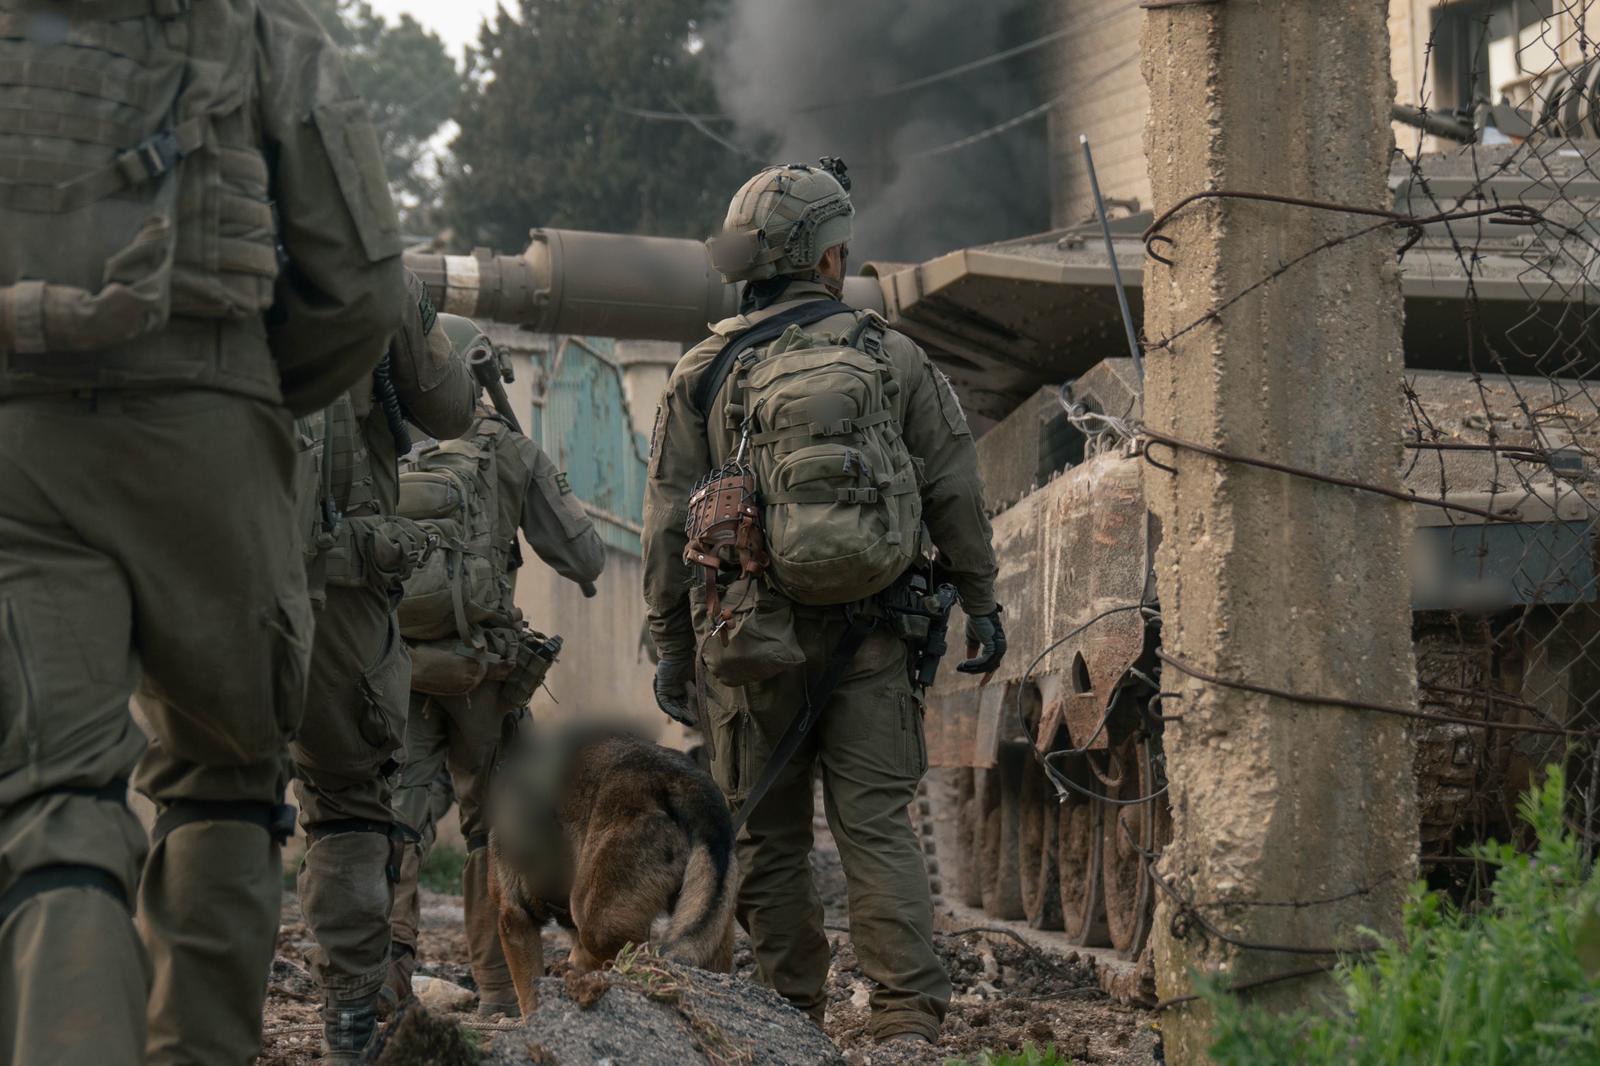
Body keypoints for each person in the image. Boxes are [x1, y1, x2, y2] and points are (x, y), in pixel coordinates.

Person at [0, 1, 403, 1062]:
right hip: (208, 429)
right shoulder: (259, 21)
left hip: (14, 443)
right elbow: (364, 294)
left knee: (49, 801)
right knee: (226, 770)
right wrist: (241, 392)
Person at [642, 160, 1004, 1046]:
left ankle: (789, 1020)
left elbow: (666, 524)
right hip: (875, 633)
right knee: (877, 826)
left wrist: (671, 646)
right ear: (830, 258)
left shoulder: (704, 370)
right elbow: (955, 488)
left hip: (747, 644)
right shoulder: (894, 356)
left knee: (767, 837)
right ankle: (906, 1017)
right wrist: (982, 601)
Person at [387, 318, 607, 1017]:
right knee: (494, 831)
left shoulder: (379, 445)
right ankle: (497, 990)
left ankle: (381, 982)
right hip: (484, 673)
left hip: (397, 667)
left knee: (394, 819)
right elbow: (584, 556)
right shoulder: (504, 447)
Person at [290, 272, 476, 1061]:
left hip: (197, 573)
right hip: (336, 586)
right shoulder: (359, 260)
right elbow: (452, 407)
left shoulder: (158, 234)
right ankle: (349, 1028)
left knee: (202, 797)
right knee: (347, 808)